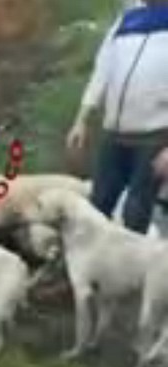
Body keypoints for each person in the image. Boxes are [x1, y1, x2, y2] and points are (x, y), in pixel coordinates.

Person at [67, 0, 168, 234]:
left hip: (155, 138)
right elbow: (102, 70)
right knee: (97, 206)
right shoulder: (127, 20)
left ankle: (133, 269)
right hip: (114, 133)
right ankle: (90, 267)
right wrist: (81, 119)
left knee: (135, 212)